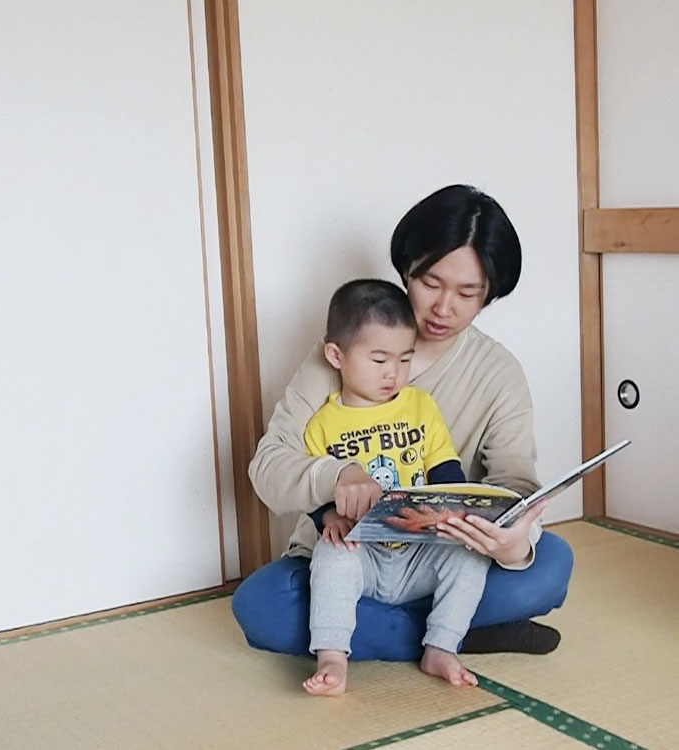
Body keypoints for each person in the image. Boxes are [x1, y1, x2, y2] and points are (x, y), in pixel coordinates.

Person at [233, 184, 574, 661]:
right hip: (347, 559)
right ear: (406, 269)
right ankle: (455, 635)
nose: (443, 307)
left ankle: (386, 633)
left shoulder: (498, 371)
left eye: (467, 293)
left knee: (551, 565)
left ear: (490, 294)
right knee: (260, 604)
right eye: (430, 283)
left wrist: (512, 542)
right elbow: (268, 465)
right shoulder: (343, 354)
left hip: (441, 560)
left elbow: (516, 483)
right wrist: (336, 476)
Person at [302, 278, 489, 696]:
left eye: (405, 359)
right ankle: (332, 656)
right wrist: (328, 516)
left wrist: (456, 512)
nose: (393, 373)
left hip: (420, 552)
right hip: (363, 554)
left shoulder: (421, 406)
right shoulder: (322, 424)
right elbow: (313, 490)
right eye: (379, 359)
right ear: (336, 356)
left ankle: (441, 646)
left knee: (471, 555)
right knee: (330, 555)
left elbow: (444, 467)